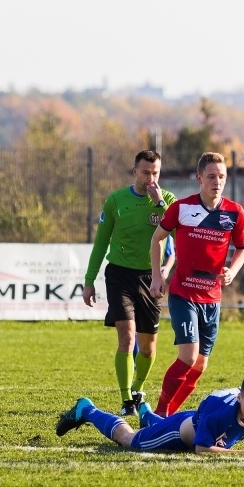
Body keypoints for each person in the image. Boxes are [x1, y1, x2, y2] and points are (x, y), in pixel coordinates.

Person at [149, 152, 244, 417]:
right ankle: (158, 415)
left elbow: (242, 248)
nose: (217, 182)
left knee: (200, 366)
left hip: (212, 298)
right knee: (189, 357)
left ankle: (170, 415)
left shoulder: (234, 212)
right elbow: (157, 238)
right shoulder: (181, 208)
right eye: (212, 176)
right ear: (199, 178)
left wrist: (233, 271)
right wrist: (158, 276)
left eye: (222, 177)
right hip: (183, 294)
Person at [82, 150, 176, 417]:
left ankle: (137, 389)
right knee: (127, 337)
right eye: (145, 172)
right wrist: (89, 281)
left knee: (148, 348)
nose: (150, 178)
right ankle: (125, 400)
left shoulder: (167, 201)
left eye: (155, 173)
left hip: (151, 278)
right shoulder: (115, 201)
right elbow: (101, 244)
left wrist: (159, 204)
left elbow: (180, 233)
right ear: (135, 172)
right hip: (120, 275)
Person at [55, 374, 244, 455]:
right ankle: (87, 409)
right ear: (240, 397)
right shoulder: (219, 414)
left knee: (157, 425)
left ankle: (146, 411)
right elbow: (201, 450)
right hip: (177, 435)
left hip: (190, 421)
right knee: (129, 440)